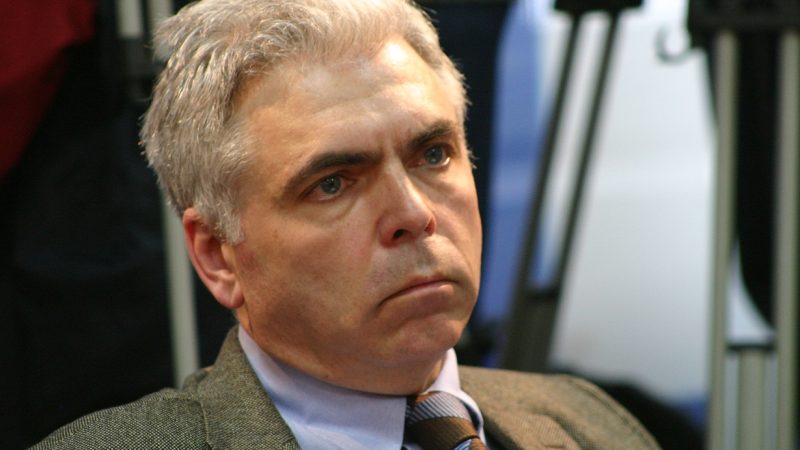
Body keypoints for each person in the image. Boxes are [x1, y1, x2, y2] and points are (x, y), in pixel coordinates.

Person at [32, 0, 660, 448]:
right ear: (219, 255)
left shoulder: (587, 422)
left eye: (433, 154)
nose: (414, 214)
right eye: (332, 183)